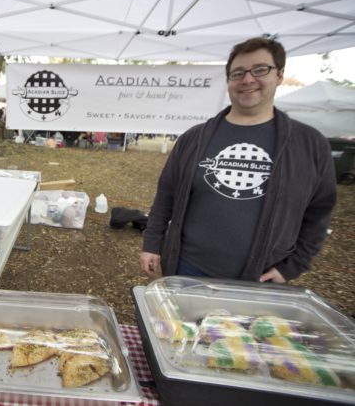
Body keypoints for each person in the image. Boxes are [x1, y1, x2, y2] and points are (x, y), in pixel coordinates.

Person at [140, 37, 336, 283]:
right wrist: (152, 243)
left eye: (260, 69)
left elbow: (318, 214)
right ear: (229, 81)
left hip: (261, 276)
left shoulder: (309, 143)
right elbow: (165, 195)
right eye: (238, 73)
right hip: (186, 267)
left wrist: (291, 267)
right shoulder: (194, 138)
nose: (248, 79)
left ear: (279, 76)